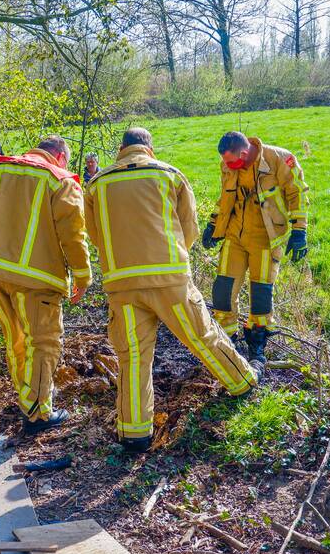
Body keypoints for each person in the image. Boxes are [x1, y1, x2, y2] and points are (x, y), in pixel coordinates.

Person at [84, 128, 258, 453]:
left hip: (122, 284)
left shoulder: (97, 184)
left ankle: (135, 433)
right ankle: (242, 381)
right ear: (149, 148)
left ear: (121, 149)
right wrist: (173, 257)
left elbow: (95, 234)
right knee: (201, 334)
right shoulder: (169, 175)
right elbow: (188, 227)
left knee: (133, 357)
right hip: (169, 277)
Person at [0, 136, 90, 435]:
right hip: (38, 278)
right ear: (61, 157)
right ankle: (38, 413)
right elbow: (73, 236)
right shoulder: (60, 181)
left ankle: (25, 397)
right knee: (43, 343)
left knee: (16, 339)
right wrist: (82, 276)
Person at [202, 131, 309, 373]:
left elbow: (297, 193)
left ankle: (256, 348)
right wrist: (213, 224)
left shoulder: (279, 159)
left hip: (266, 238)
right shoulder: (229, 165)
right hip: (234, 236)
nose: (227, 166)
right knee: (222, 289)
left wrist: (299, 230)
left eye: (231, 161)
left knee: (261, 294)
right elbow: (225, 198)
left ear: (243, 153)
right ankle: (226, 341)